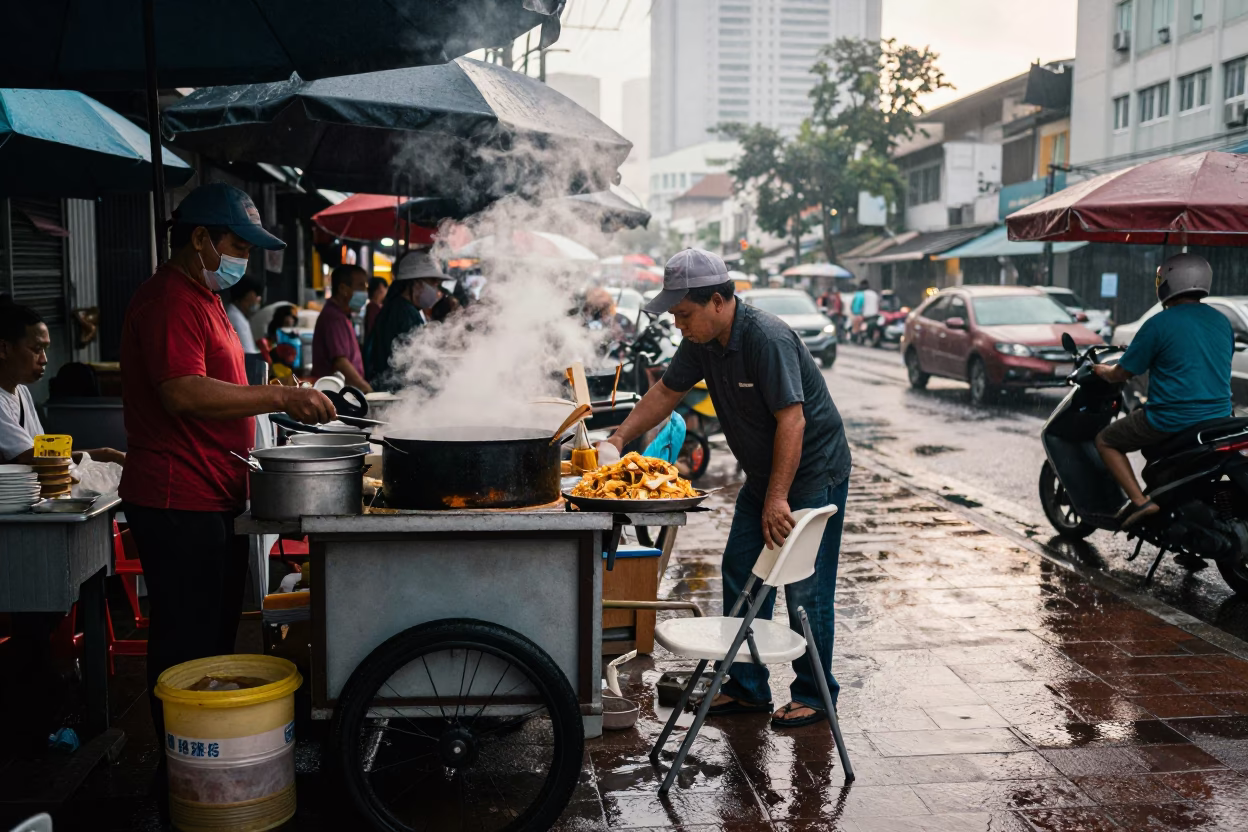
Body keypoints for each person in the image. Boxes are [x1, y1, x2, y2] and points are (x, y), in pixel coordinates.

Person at [118, 183, 335, 763]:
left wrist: (272, 391)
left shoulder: (205, 297)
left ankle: (204, 748)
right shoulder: (168, 300)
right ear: (199, 239)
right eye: (236, 243)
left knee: (213, 638)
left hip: (213, 492)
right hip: (175, 496)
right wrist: (277, 400)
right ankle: (181, 759)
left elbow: (220, 382)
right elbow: (183, 393)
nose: (244, 258)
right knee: (186, 640)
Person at [599, 248, 852, 728]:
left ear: (718, 301)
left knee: (805, 587)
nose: (678, 324)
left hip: (813, 471)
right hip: (766, 473)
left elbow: (792, 421)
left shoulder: (767, 339)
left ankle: (816, 696)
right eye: (674, 315)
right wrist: (617, 438)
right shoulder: (702, 340)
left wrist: (778, 498)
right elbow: (665, 393)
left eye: (684, 314)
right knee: (740, 568)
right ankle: (747, 687)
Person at [1092, 253, 1233, 528]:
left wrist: (1102, 371)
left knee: (1106, 441)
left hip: (1171, 419)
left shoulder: (1158, 324)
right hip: (1220, 418)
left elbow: (1123, 372)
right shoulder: (1221, 321)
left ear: (1165, 282)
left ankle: (1141, 503)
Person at [0, 298, 124, 465]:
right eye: (37, 349)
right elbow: (36, 458)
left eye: (45, 349)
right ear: (4, 349)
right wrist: (101, 457)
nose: (44, 360)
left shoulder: (22, 391)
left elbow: (44, 451)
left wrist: (107, 454)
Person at [364, 250, 445, 391]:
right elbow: (415, 361)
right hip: (396, 391)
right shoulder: (404, 312)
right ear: (417, 284)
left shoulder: (397, 306)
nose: (436, 290)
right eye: (433, 283)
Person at [312, 264, 372, 392]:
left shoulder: (342, 315)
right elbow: (340, 363)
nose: (365, 292)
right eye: (361, 286)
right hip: (336, 394)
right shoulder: (334, 318)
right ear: (343, 289)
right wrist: (366, 390)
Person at [225, 277, 262, 354]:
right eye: (256, 294)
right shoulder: (236, 318)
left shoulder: (238, 315)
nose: (258, 299)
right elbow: (248, 352)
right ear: (249, 295)